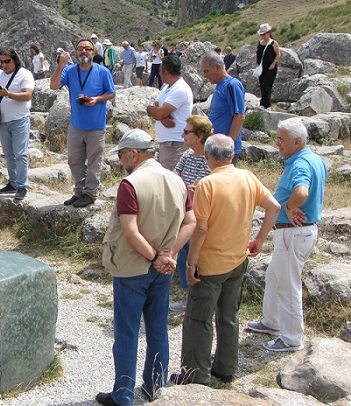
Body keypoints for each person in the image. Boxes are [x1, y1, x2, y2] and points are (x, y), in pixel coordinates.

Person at [171, 134, 280, 386]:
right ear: (232, 155)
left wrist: (190, 263)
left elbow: (200, 229)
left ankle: (195, 375)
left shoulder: (207, 185)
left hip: (209, 266)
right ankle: (226, 368)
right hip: (237, 260)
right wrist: (260, 239)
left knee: (198, 320)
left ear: (206, 156)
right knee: (228, 317)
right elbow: (273, 206)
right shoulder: (247, 177)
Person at [96, 129, 195, 406]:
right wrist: (169, 254)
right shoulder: (177, 181)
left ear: (133, 154)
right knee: (157, 328)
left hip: (132, 266)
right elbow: (191, 223)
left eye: (121, 155)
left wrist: (154, 257)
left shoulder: (131, 183)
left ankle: (124, 394)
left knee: (127, 332)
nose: (121, 161)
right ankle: (155, 388)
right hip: (162, 268)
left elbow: (130, 230)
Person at [246, 118, 327, 352]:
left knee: (288, 285)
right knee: (274, 276)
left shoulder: (300, 164)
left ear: (297, 141)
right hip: (298, 232)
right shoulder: (314, 159)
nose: (277, 143)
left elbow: (301, 192)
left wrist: (290, 208)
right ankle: (271, 321)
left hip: (294, 232)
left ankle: (291, 338)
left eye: (281, 139)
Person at [50, 39, 116, 208]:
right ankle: (79, 192)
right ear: (76, 52)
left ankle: (90, 193)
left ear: (93, 52)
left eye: (88, 49)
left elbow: (111, 93)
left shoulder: (102, 72)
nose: (84, 52)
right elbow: (54, 85)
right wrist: (61, 65)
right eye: (80, 49)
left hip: (96, 126)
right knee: (74, 160)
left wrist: (97, 99)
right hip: (76, 125)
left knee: (94, 161)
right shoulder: (70, 71)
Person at [169, 115, 213, 312]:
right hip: (185, 210)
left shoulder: (210, 157)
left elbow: (208, 185)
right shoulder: (188, 154)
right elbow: (175, 174)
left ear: (199, 136)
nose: (183, 135)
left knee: (195, 253)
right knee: (184, 251)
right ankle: (188, 293)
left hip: (201, 213)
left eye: (187, 132)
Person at [0, 48, 35, 201]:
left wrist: (8, 94)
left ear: (15, 60)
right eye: (1, 62)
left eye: (7, 61)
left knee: (20, 154)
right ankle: (13, 182)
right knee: (9, 154)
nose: (4, 65)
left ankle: (22, 185)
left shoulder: (25, 74)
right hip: (3, 120)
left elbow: (27, 95)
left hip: (19, 119)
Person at [146, 55, 194, 171]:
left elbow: (157, 112)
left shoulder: (180, 89)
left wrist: (157, 114)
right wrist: (160, 117)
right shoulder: (167, 87)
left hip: (176, 144)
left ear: (166, 72)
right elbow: (154, 107)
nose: (160, 74)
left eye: (160, 71)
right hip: (167, 143)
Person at [201, 50, 245, 165]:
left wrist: (227, 144)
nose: (205, 75)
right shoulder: (219, 86)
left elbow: (239, 116)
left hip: (224, 149)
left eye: (207, 71)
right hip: (215, 146)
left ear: (217, 67)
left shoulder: (232, 85)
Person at [256, 23, 281, 109]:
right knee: (262, 84)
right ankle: (263, 103)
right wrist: (257, 63)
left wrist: (274, 63)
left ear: (269, 32)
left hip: (271, 68)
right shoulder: (260, 43)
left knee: (267, 85)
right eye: (261, 34)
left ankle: (266, 104)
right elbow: (258, 54)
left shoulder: (273, 43)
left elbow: (278, 54)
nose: (262, 36)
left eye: (264, 34)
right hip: (261, 68)